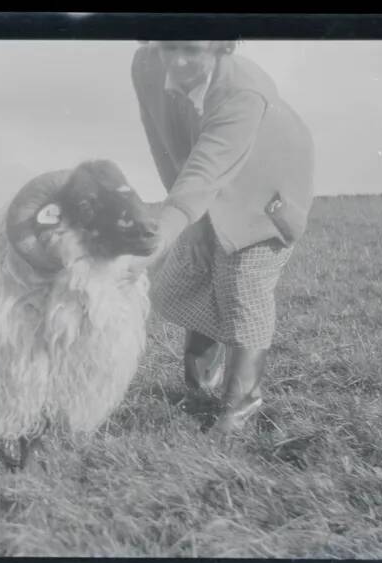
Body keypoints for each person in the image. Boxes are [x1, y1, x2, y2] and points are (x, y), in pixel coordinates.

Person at [129, 40, 315, 434]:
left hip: (267, 179)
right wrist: (192, 224)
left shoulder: (244, 91)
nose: (178, 60)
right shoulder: (146, 65)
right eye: (169, 46)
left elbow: (204, 173)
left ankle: (241, 405)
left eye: (193, 50)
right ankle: (202, 384)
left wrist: (156, 242)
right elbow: (163, 147)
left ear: (220, 47)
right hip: (201, 172)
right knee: (191, 271)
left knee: (241, 282)